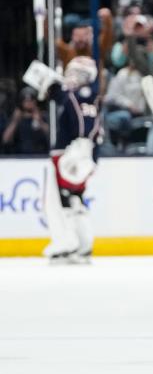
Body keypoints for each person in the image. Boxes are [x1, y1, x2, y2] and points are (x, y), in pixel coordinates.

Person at [21, 57, 102, 263]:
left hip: (69, 153)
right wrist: (52, 88)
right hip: (81, 153)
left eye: (76, 73)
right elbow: (64, 99)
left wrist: (81, 147)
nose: (71, 77)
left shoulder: (80, 96)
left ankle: (65, 243)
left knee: (56, 201)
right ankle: (83, 244)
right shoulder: (83, 96)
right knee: (74, 199)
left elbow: (84, 123)